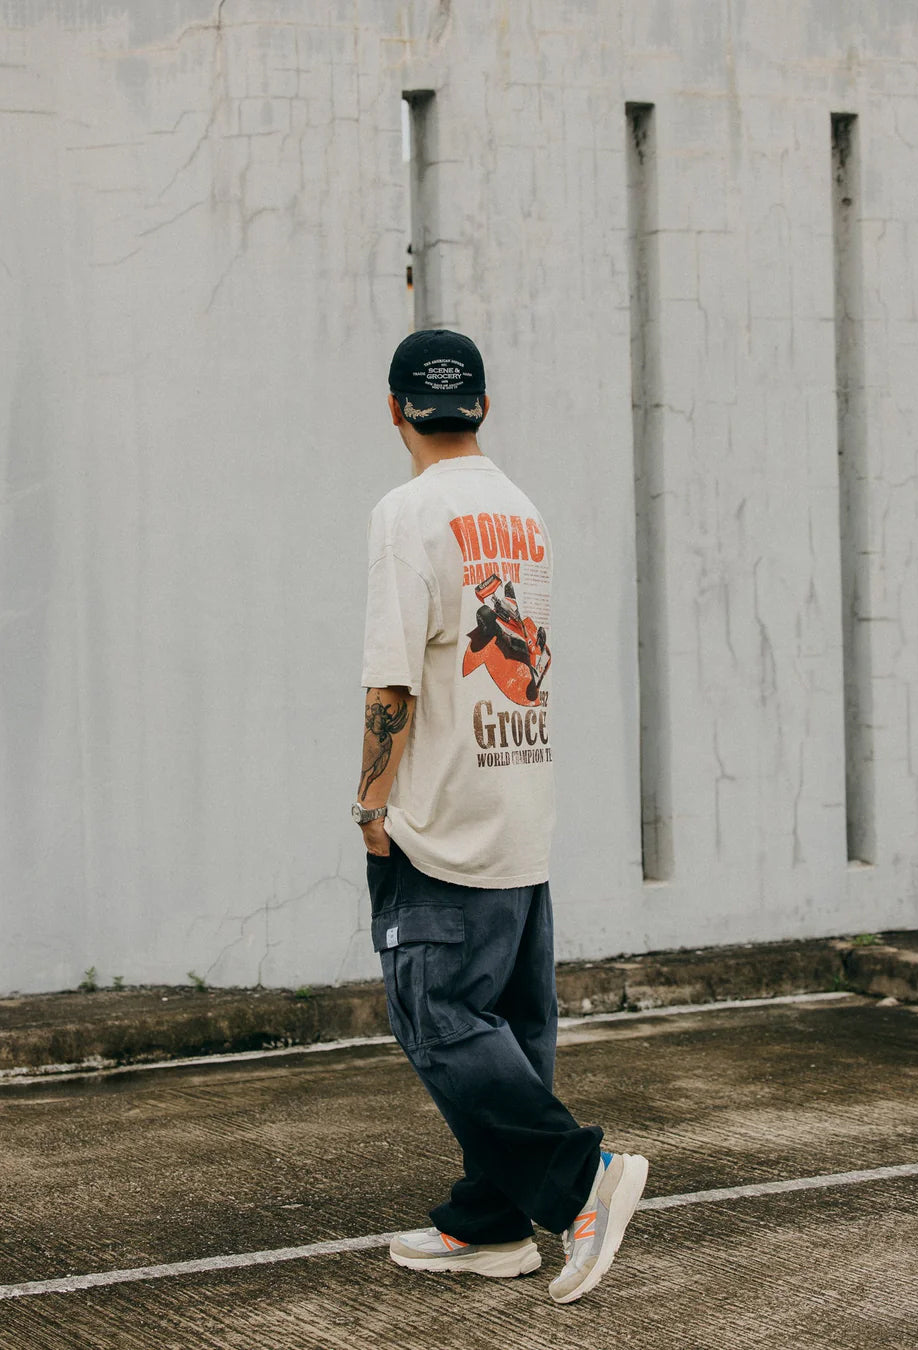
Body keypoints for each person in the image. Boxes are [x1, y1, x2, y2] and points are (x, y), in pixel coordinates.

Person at [354, 328, 648, 1304]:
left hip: (442, 818)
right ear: (484, 407)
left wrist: (369, 806)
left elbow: (392, 680)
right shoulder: (523, 512)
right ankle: (490, 1225)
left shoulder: (406, 513)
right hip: (521, 802)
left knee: (435, 1013)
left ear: (395, 410)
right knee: (512, 1029)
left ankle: (578, 1182)